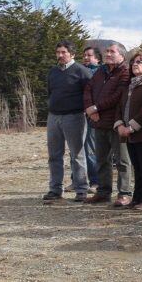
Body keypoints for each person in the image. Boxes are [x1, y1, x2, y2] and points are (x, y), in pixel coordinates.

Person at [83, 43, 132, 206]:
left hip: (116, 123)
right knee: (101, 159)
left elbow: (118, 96)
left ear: (122, 56)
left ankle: (124, 193)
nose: (108, 54)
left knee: (122, 160)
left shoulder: (125, 72)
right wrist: (90, 110)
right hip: (98, 122)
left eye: (112, 51)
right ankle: (103, 192)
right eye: (107, 51)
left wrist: (97, 107)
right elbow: (88, 89)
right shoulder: (100, 71)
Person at [43, 41, 92, 203]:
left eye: (63, 52)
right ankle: (55, 189)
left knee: (77, 154)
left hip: (74, 117)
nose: (60, 55)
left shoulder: (82, 71)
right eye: (58, 52)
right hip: (53, 117)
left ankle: (81, 190)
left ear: (72, 54)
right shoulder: (53, 72)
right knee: (54, 155)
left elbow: (90, 94)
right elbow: (50, 91)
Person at [114, 53, 142, 210]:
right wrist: (120, 125)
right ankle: (137, 198)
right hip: (128, 135)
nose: (135, 64)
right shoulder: (128, 86)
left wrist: (131, 127)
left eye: (139, 62)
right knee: (137, 167)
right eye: (133, 62)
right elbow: (120, 108)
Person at [81, 46, 102, 191]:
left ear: (97, 58)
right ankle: (78, 180)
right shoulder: (80, 72)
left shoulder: (100, 73)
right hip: (79, 114)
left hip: (93, 115)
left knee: (90, 149)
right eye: (84, 55)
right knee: (77, 149)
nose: (86, 58)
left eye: (89, 55)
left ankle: (95, 182)